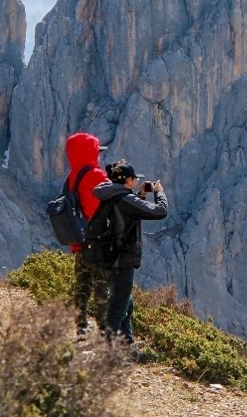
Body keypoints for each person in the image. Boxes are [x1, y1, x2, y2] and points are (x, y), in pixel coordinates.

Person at [93, 159, 168, 345]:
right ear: (128, 180)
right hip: (121, 261)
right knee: (118, 309)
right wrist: (159, 192)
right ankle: (106, 352)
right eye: (135, 178)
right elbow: (160, 212)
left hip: (107, 258)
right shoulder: (126, 199)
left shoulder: (111, 195)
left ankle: (128, 346)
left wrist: (141, 195)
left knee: (126, 303)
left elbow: (126, 216)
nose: (137, 180)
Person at [64, 132, 111, 337]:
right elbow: (110, 200)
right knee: (102, 284)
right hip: (98, 240)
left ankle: (81, 326)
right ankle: (105, 328)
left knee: (82, 285)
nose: (98, 155)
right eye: (96, 151)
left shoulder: (71, 177)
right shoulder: (96, 175)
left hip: (80, 240)